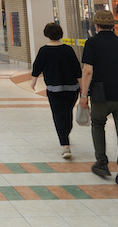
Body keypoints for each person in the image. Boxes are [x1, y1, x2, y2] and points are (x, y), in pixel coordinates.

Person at [80, 9, 118, 193]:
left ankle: (102, 162)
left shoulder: (92, 43)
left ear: (96, 25)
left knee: (98, 124)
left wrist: (83, 95)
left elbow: (88, 71)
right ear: (113, 26)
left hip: (101, 94)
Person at [31, 23, 82, 159]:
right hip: (72, 89)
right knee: (67, 113)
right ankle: (66, 134)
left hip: (54, 90)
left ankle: (65, 145)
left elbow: (37, 66)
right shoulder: (68, 50)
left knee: (58, 115)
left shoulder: (44, 51)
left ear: (47, 34)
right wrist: (82, 89)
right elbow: (77, 70)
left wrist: (34, 80)